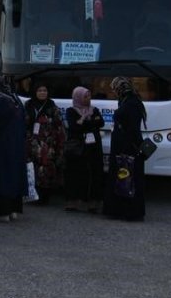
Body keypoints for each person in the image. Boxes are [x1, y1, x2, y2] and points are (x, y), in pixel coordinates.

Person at [0, 76, 27, 223]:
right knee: (13, 176)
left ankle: (2, 213)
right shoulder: (15, 99)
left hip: (2, 145)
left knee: (1, 178)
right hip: (16, 145)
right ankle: (13, 210)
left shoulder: (0, 101)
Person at [104, 76, 147, 221]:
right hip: (124, 146)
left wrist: (128, 147)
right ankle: (121, 210)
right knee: (123, 178)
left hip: (128, 148)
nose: (113, 92)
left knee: (129, 178)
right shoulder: (127, 101)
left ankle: (130, 211)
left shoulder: (131, 104)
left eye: (114, 89)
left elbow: (133, 129)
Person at [63, 86, 104, 213]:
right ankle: (74, 201)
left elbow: (100, 122)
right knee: (76, 173)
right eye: (85, 96)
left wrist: (84, 122)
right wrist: (90, 121)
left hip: (93, 147)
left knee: (94, 173)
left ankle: (92, 202)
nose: (88, 99)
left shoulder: (94, 109)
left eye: (89, 96)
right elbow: (74, 127)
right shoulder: (71, 111)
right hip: (78, 147)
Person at [24, 84, 66, 205]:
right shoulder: (29, 105)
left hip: (47, 144)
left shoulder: (52, 106)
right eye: (39, 90)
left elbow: (59, 126)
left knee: (46, 169)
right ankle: (32, 195)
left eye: (45, 90)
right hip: (31, 143)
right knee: (32, 168)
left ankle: (44, 197)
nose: (42, 93)